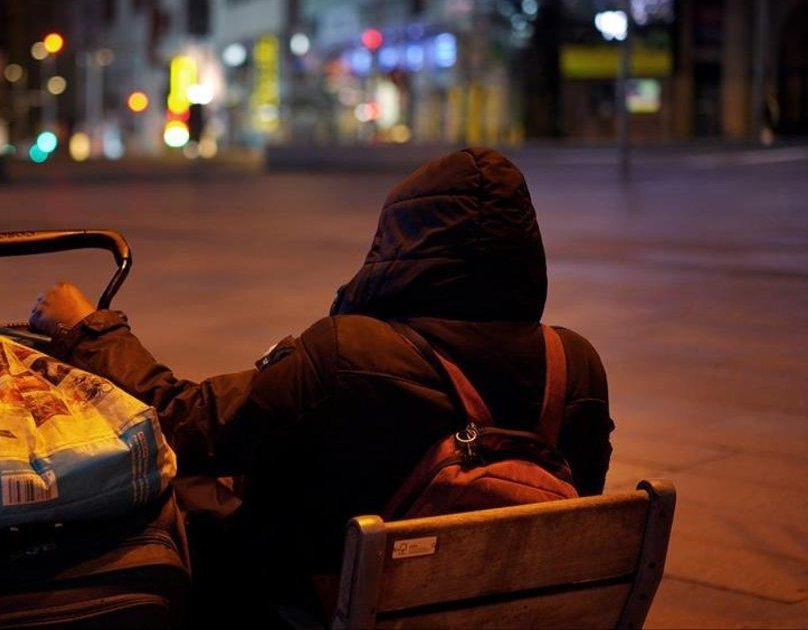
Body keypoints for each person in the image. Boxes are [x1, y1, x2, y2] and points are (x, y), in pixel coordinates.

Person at [30, 147, 614, 618]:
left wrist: (89, 329)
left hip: (316, 607)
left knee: (178, 505)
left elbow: (183, 425)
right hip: (505, 611)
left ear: (401, 245)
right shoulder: (576, 364)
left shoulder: (349, 354)